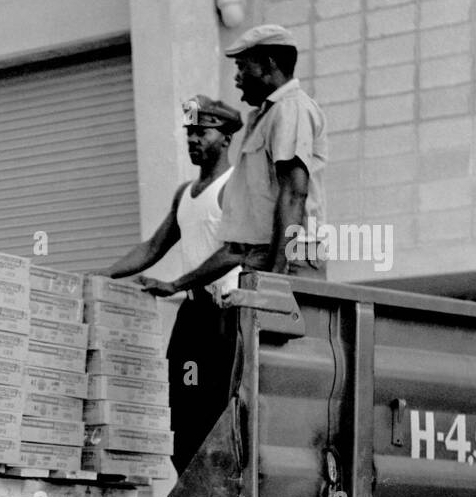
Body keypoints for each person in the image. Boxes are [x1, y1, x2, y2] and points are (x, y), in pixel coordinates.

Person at [101, 94, 245, 474]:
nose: (194, 140)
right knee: (181, 413)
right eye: (190, 133)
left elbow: (234, 252)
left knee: (216, 414)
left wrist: (175, 283)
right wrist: (104, 275)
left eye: (203, 132)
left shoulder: (235, 187)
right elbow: (153, 246)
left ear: (226, 138)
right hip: (195, 316)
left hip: (226, 318)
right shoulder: (185, 193)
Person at [146, 25, 328, 296]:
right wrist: (176, 286)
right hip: (264, 262)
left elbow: (293, 195)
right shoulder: (266, 116)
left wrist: (274, 283)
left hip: (287, 263)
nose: (237, 79)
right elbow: (238, 247)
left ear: (268, 64)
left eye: (243, 68)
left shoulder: (291, 109)